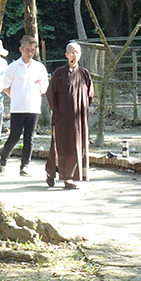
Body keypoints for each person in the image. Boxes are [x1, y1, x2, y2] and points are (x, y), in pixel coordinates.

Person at [45, 42, 94, 189]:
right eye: (72, 52)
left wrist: (82, 109)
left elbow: (90, 94)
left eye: (77, 52)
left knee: (76, 146)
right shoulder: (59, 73)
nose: (74, 55)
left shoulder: (84, 73)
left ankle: (69, 177)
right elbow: (50, 93)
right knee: (60, 145)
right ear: (66, 55)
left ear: (80, 55)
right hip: (62, 118)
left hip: (79, 118)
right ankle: (52, 172)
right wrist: (58, 111)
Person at [0, 35, 48, 177]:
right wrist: (15, 96)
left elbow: (44, 87)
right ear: (21, 49)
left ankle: (25, 166)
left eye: (32, 50)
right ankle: (3, 159)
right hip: (18, 108)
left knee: (29, 137)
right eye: (27, 50)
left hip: (34, 108)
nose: (30, 53)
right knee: (14, 137)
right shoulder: (13, 67)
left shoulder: (39, 67)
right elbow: (5, 86)